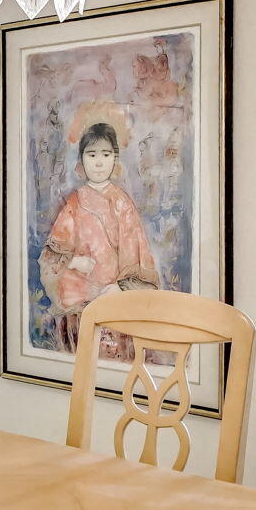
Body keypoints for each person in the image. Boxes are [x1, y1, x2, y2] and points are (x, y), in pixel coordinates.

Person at [39, 121, 160, 355]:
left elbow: (135, 251)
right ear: (82, 160)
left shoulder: (122, 202)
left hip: (115, 299)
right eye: (91, 154)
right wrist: (74, 262)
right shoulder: (74, 201)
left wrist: (120, 287)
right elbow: (51, 254)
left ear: (114, 159)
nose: (98, 162)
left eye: (106, 154)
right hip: (78, 301)